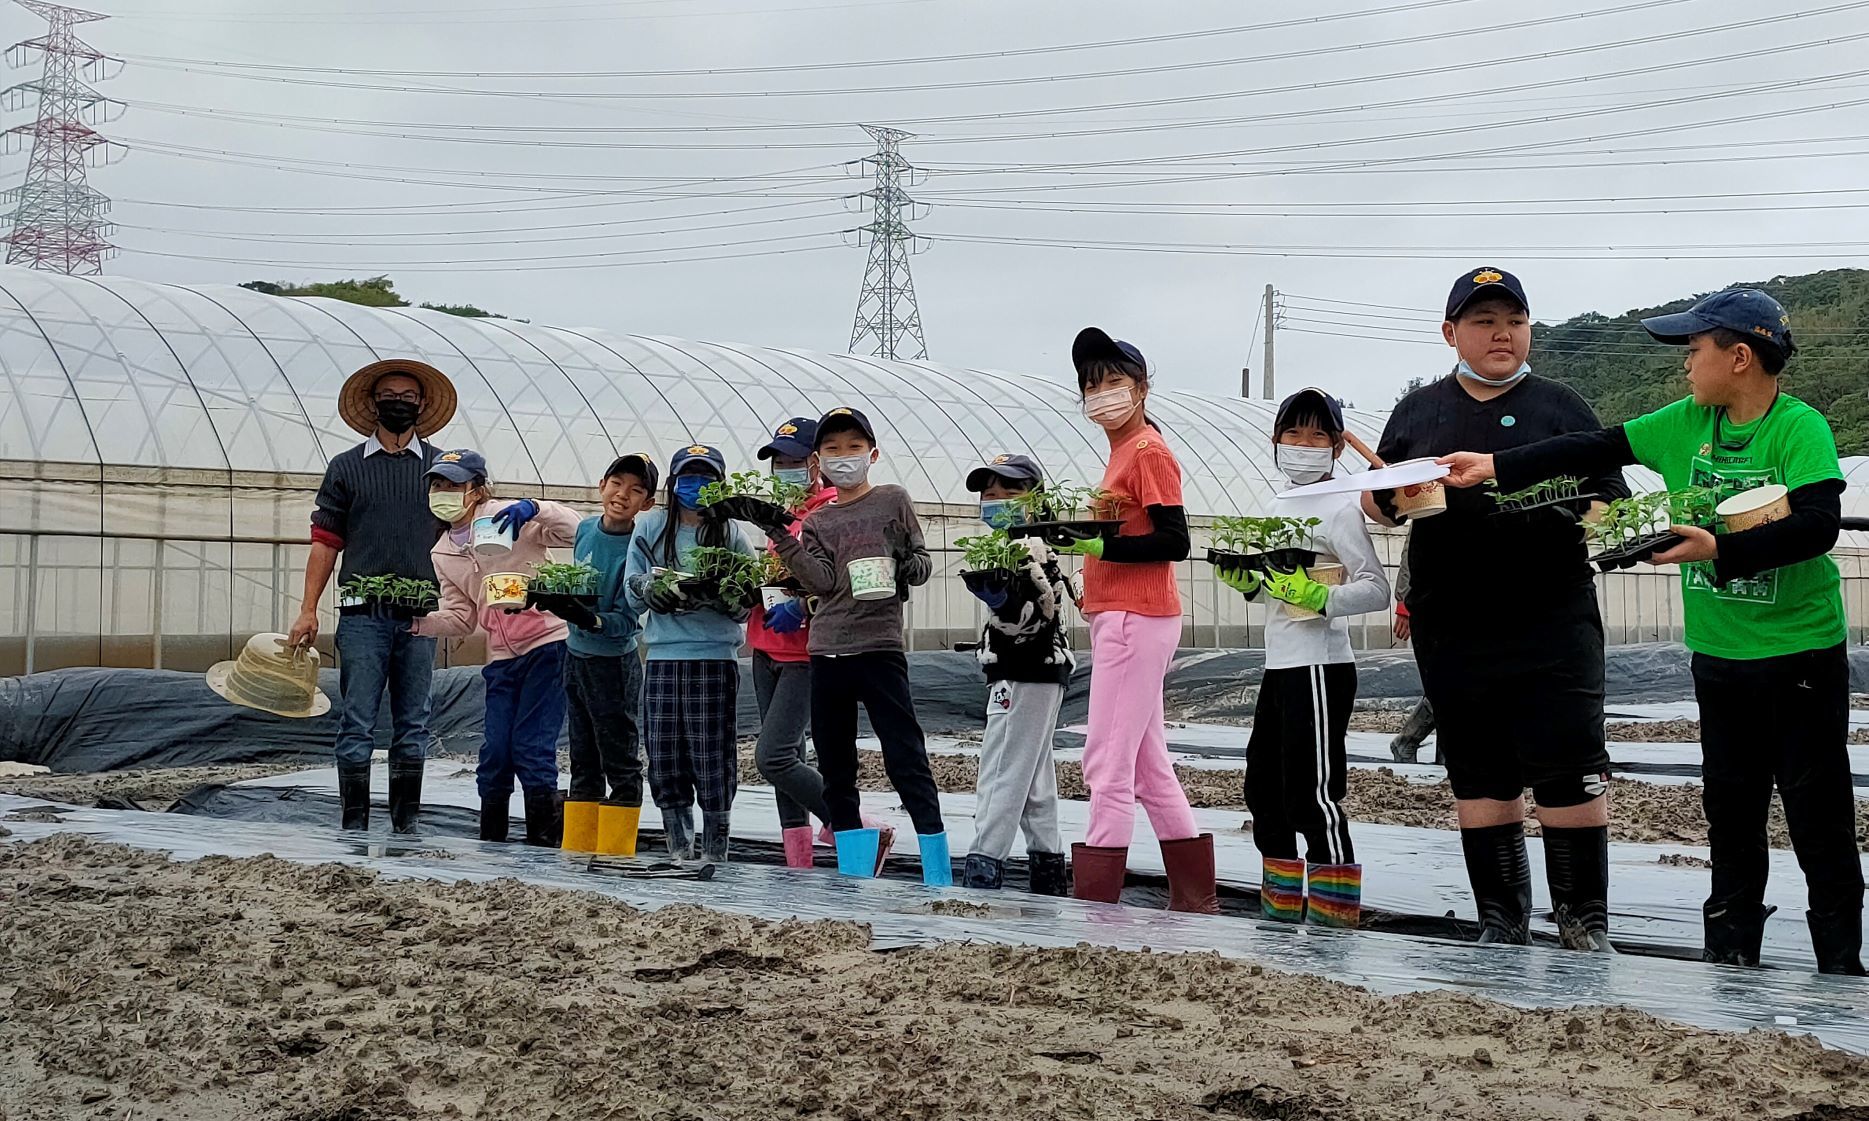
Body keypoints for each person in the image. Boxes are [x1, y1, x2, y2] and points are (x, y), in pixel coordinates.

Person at [1437, 288, 1862, 975]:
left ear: (1739, 357)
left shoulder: (1797, 427)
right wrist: (1494, 465)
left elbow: (1815, 525)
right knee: (1730, 813)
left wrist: (1719, 549)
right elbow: (1593, 444)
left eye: (1693, 351)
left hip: (1800, 659)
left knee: (1818, 817)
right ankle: (1730, 961)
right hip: (1719, 658)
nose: (1685, 366)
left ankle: (1841, 969)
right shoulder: (1686, 421)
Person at [1367, 268, 1629, 952]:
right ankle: (1500, 920)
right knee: (1479, 769)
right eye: (1483, 321)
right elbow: (1377, 502)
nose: (1500, 333)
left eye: (1512, 319)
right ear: (1451, 333)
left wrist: (1585, 516)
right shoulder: (1419, 411)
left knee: (1567, 763)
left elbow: (1610, 494)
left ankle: (1583, 922)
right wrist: (1388, 497)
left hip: (1553, 618)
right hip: (1453, 620)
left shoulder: (1561, 406)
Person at [1055, 328, 1216, 913]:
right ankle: (1196, 901)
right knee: (1148, 767)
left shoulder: (1147, 452)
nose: (1100, 394)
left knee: (1105, 761)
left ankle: (1098, 908)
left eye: (1113, 382)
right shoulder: (1123, 452)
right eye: (1090, 385)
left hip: (1134, 617)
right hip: (1122, 614)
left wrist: (1101, 551)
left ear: (1142, 388)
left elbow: (1174, 540)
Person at [756, 407, 953, 884]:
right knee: (837, 765)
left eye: (853, 447)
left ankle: (937, 871)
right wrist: (781, 535)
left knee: (905, 755)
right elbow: (821, 581)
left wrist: (906, 566)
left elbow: (921, 562)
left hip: (880, 646)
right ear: (818, 461)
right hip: (827, 652)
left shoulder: (892, 500)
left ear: (872, 453)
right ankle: (854, 875)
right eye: (832, 449)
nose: (843, 457)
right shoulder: (819, 520)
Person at [1218, 388, 1390, 927]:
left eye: (1318, 435)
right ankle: (1282, 909)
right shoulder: (1277, 507)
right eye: (1293, 433)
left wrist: (1322, 599)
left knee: (1313, 792)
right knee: (1263, 788)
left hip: (1320, 666)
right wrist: (1252, 586)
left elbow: (1375, 588)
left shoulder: (1342, 504)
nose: (1303, 444)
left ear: (1337, 447)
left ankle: (1336, 916)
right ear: (1276, 441)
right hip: (1281, 664)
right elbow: (1280, 591)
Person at [291, 360, 456, 834]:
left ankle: (406, 823)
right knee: (358, 718)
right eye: (390, 395)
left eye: (408, 397)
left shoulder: (443, 469)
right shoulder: (346, 467)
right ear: (373, 403)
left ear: (422, 405)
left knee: (414, 720)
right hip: (362, 614)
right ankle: (354, 822)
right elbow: (325, 542)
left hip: (422, 613)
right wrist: (307, 610)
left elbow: (464, 536)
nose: (399, 402)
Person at [412, 449, 582, 845]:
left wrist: (534, 507)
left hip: (548, 644)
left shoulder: (509, 516)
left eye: (454, 484)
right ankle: (493, 843)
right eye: (438, 485)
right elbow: (461, 617)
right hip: (502, 657)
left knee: (531, 745)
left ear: (477, 490)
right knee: (495, 754)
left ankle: (544, 842)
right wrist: (416, 624)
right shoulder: (442, 551)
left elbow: (577, 531)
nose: (443, 492)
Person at [624, 444, 758, 863]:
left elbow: (747, 601)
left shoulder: (732, 534)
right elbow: (632, 590)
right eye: (687, 478)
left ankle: (716, 850)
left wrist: (722, 597)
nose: (694, 487)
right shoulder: (650, 527)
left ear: (718, 485)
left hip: (714, 659)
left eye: (704, 479)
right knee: (664, 753)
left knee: (711, 752)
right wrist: (651, 590)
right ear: (672, 483)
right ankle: (679, 848)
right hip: (663, 657)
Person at [959, 453, 1074, 896]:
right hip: (1039, 671)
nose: (997, 499)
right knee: (1035, 777)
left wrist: (1003, 603)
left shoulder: (1028, 547)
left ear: (1036, 498)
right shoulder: (1018, 544)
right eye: (990, 493)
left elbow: (1038, 614)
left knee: (1003, 768)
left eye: (1011, 490)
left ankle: (984, 867)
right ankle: (1048, 872)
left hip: (1025, 671)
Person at [743, 418, 844, 868]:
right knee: (790, 756)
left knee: (774, 756)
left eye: (793, 460)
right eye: (777, 461)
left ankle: (849, 822)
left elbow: (837, 583)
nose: (785, 468)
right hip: (766, 648)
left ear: (816, 462)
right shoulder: (777, 516)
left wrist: (802, 605)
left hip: (806, 653)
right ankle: (798, 861)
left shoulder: (832, 510)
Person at [554, 452, 659, 854]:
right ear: (601, 485)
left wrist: (593, 620)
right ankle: (577, 849)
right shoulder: (584, 530)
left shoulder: (640, 544)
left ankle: (615, 851)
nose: (622, 495)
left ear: (646, 504)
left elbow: (629, 616)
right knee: (581, 753)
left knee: (618, 754)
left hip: (613, 661)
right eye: (616, 484)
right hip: (575, 656)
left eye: (635, 491)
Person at [1387, 537, 1437, 764]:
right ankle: (1407, 741)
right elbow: (1413, 549)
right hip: (1433, 605)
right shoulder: (1434, 503)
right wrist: (1405, 603)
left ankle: (1446, 756)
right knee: (1445, 684)